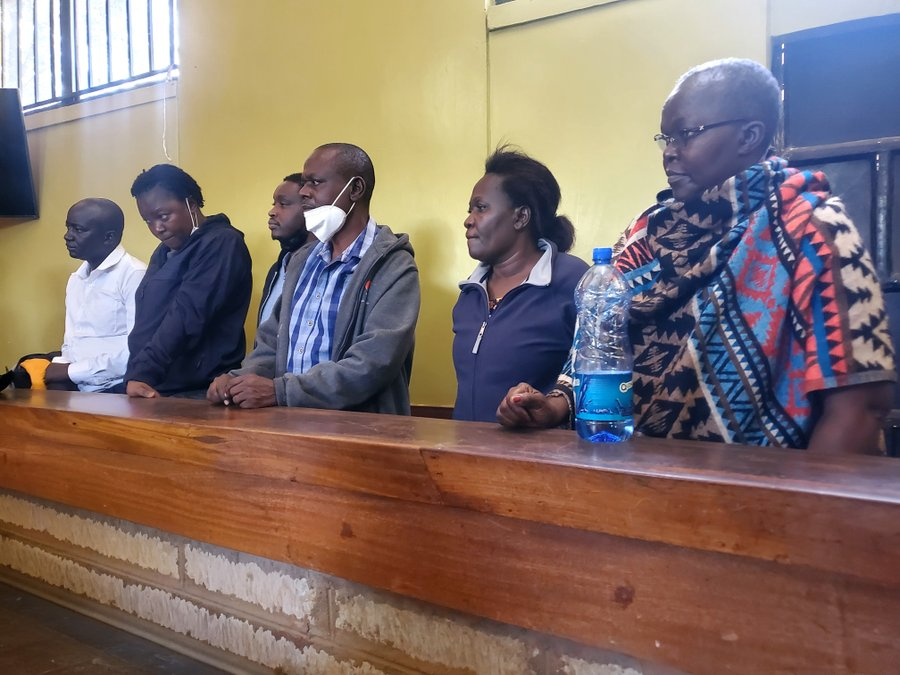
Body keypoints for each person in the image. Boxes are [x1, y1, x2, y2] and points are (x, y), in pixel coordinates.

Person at [498, 58, 896, 454]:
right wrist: (555, 406)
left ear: (749, 137)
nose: (669, 154)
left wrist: (793, 497)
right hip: (635, 478)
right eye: (666, 138)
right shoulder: (646, 234)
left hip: (760, 485)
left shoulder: (813, 229)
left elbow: (859, 409)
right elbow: (599, 347)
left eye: (685, 135)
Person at [207, 143, 419, 414]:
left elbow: (374, 361)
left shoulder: (394, 266)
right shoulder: (302, 261)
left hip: (358, 429)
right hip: (290, 424)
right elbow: (271, 344)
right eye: (305, 183)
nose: (304, 192)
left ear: (355, 189)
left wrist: (281, 391)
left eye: (315, 182)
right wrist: (237, 380)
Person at [452, 148, 587, 422]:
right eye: (470, 210)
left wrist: (552, 408)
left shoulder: (573, 280)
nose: (468, 220)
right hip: (464, 447)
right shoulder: (470, 293)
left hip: (541, 448)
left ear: (520, 217)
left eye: (481, 208)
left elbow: (601, 369)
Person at [124, 164, 252, 398]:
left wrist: (143, 373)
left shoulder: (222, 243)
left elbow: (187, 314)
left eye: (163, 216)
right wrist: (135, 373)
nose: (157, 228)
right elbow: (147, 323)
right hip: (157, 382)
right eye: (148, 221)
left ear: (191, 204)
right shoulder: (164, 252)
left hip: (199, 389)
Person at [18, 199, 146, 392]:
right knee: (20, 381)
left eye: (78, 229)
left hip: (116, 386)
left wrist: (69, 372)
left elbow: (138, 352)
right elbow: (71, 343)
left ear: (109, 237)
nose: (67, 236)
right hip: (78, 383)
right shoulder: (76, 279)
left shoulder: (134, 275)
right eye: (68, 227)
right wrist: (58, 370)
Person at [257, 173, 314, 326]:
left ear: (310, 209)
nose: (272, 211)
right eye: (274, 203)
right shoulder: (276, 270)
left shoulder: (322, 270)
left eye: (283, 204)